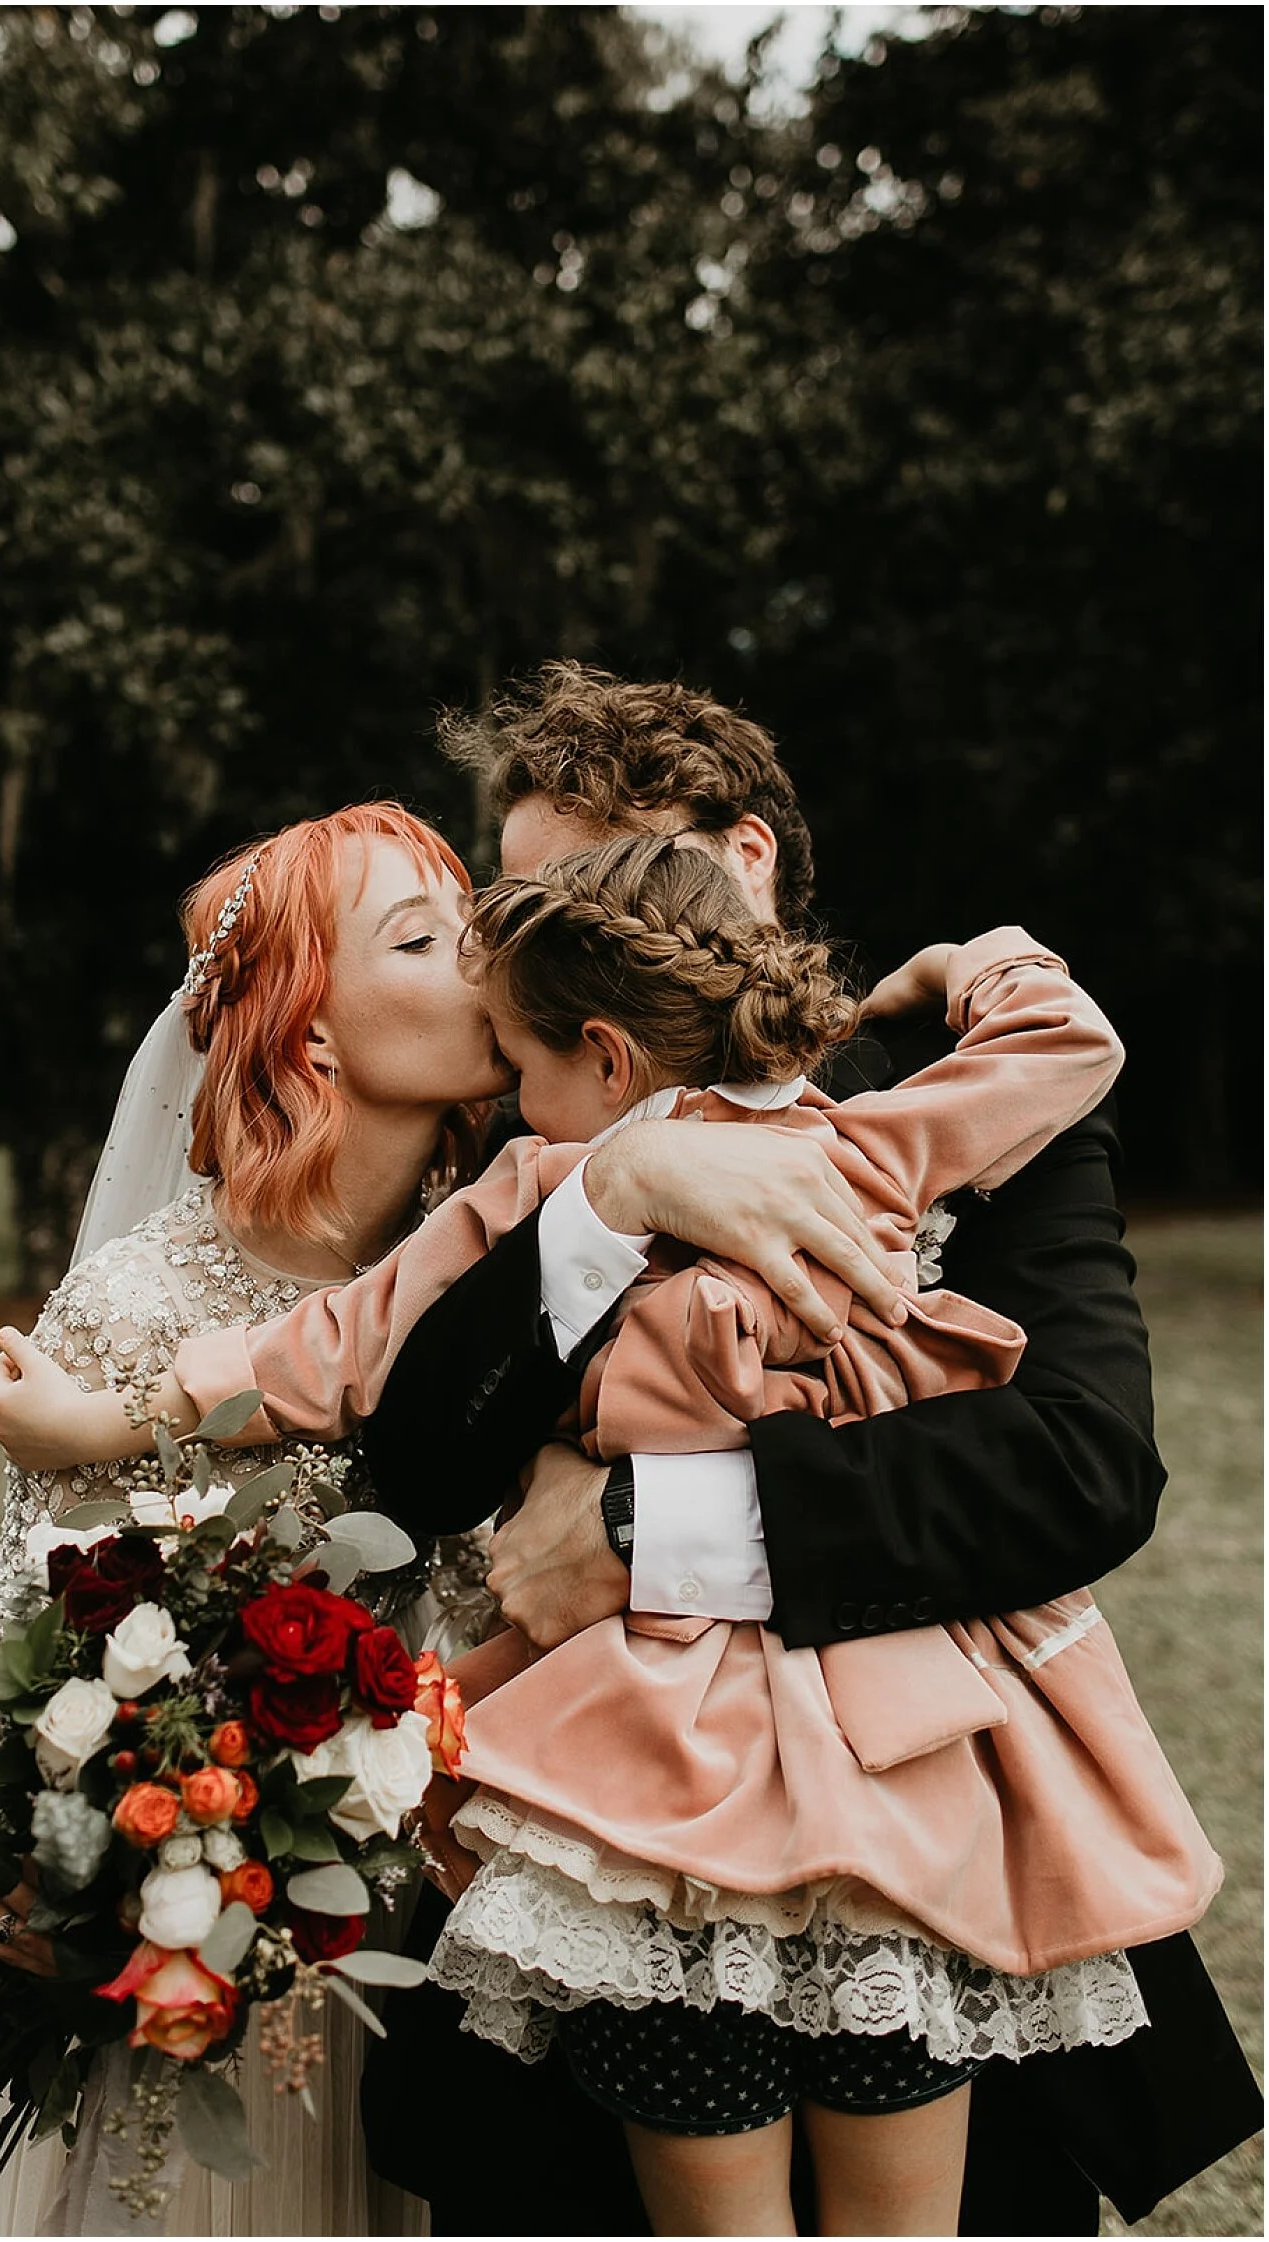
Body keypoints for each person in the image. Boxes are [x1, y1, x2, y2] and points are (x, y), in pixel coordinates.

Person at [0, 834, 1221, 2238]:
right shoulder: (813, 1159)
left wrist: (943, 967)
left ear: (608, 1057)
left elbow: (334, 1343)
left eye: (524, 1062)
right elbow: (1062, 1035)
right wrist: (985, 964)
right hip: (829, 1744)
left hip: (733, 1734)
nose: (511, 1100)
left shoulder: (809, 1136)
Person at [348, 664, 1259, 2237]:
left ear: (746, 857)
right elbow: (412, 1458)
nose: (526, 946)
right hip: (596, 1943)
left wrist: (644, 1524)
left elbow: (1075, 1468)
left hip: (939, 1922)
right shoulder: (550, 1119)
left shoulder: (952, 1098)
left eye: (562, 892)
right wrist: (617, 1196)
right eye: (512, 901)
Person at [0, 801, 516, 2237]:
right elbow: (34, 1642)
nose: (485, 952)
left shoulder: (506, 1266)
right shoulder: (140, 1306)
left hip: (463, 1908)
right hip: (220, 1912)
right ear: (314, 1035)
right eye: (423, 935)